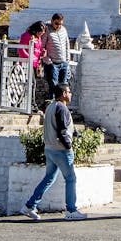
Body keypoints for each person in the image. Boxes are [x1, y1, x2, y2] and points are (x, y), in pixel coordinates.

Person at [20, 84, 86, 221]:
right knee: (70, 179)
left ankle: (30, 206)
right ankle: (71, 210)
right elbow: (62, 130)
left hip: (49, 148)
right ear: (63, 93)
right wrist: (68, 146)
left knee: (49, 178)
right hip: (60, 149)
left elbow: (63, 126)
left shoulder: (51, 106)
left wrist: (75, 133)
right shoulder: (61, 108)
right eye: (68, 91)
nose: (71, 94)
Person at [42, 13, 70, 93]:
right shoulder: (47, 31)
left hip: (63, 63)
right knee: (54, 86)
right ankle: (52, 104)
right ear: (52, 21)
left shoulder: (64, 30)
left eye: (60, 24)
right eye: (56, 23)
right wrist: (47, 59)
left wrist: (67, 60)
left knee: (63, 87)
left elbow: (67, 44)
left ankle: (61, 104)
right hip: (53, 63)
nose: (58, 26)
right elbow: (42, 46)